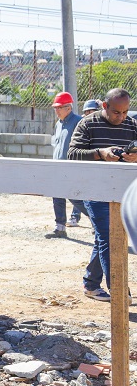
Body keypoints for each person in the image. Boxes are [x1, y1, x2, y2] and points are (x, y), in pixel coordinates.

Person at [67, 88, 137, 302]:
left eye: (126, 112)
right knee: (109, 236)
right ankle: (118, 291)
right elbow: (72, 154)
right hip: (93, 189)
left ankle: (90, 283)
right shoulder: (88, 123)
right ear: (105, 106)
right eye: (117, 112)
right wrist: (100, 153)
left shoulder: (132, 125)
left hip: (123, 191)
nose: (122, 117)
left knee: (104, 237)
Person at [45, 92, 88, 238]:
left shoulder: (78, 122)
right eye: (55, 108)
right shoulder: (58, 123)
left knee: (76, 197)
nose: (56, 111)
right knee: (57, 196)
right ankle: (60, 227)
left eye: (59, 108)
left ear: (68, 108)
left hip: (72, 167)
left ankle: (98, 221)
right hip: (58, 166)